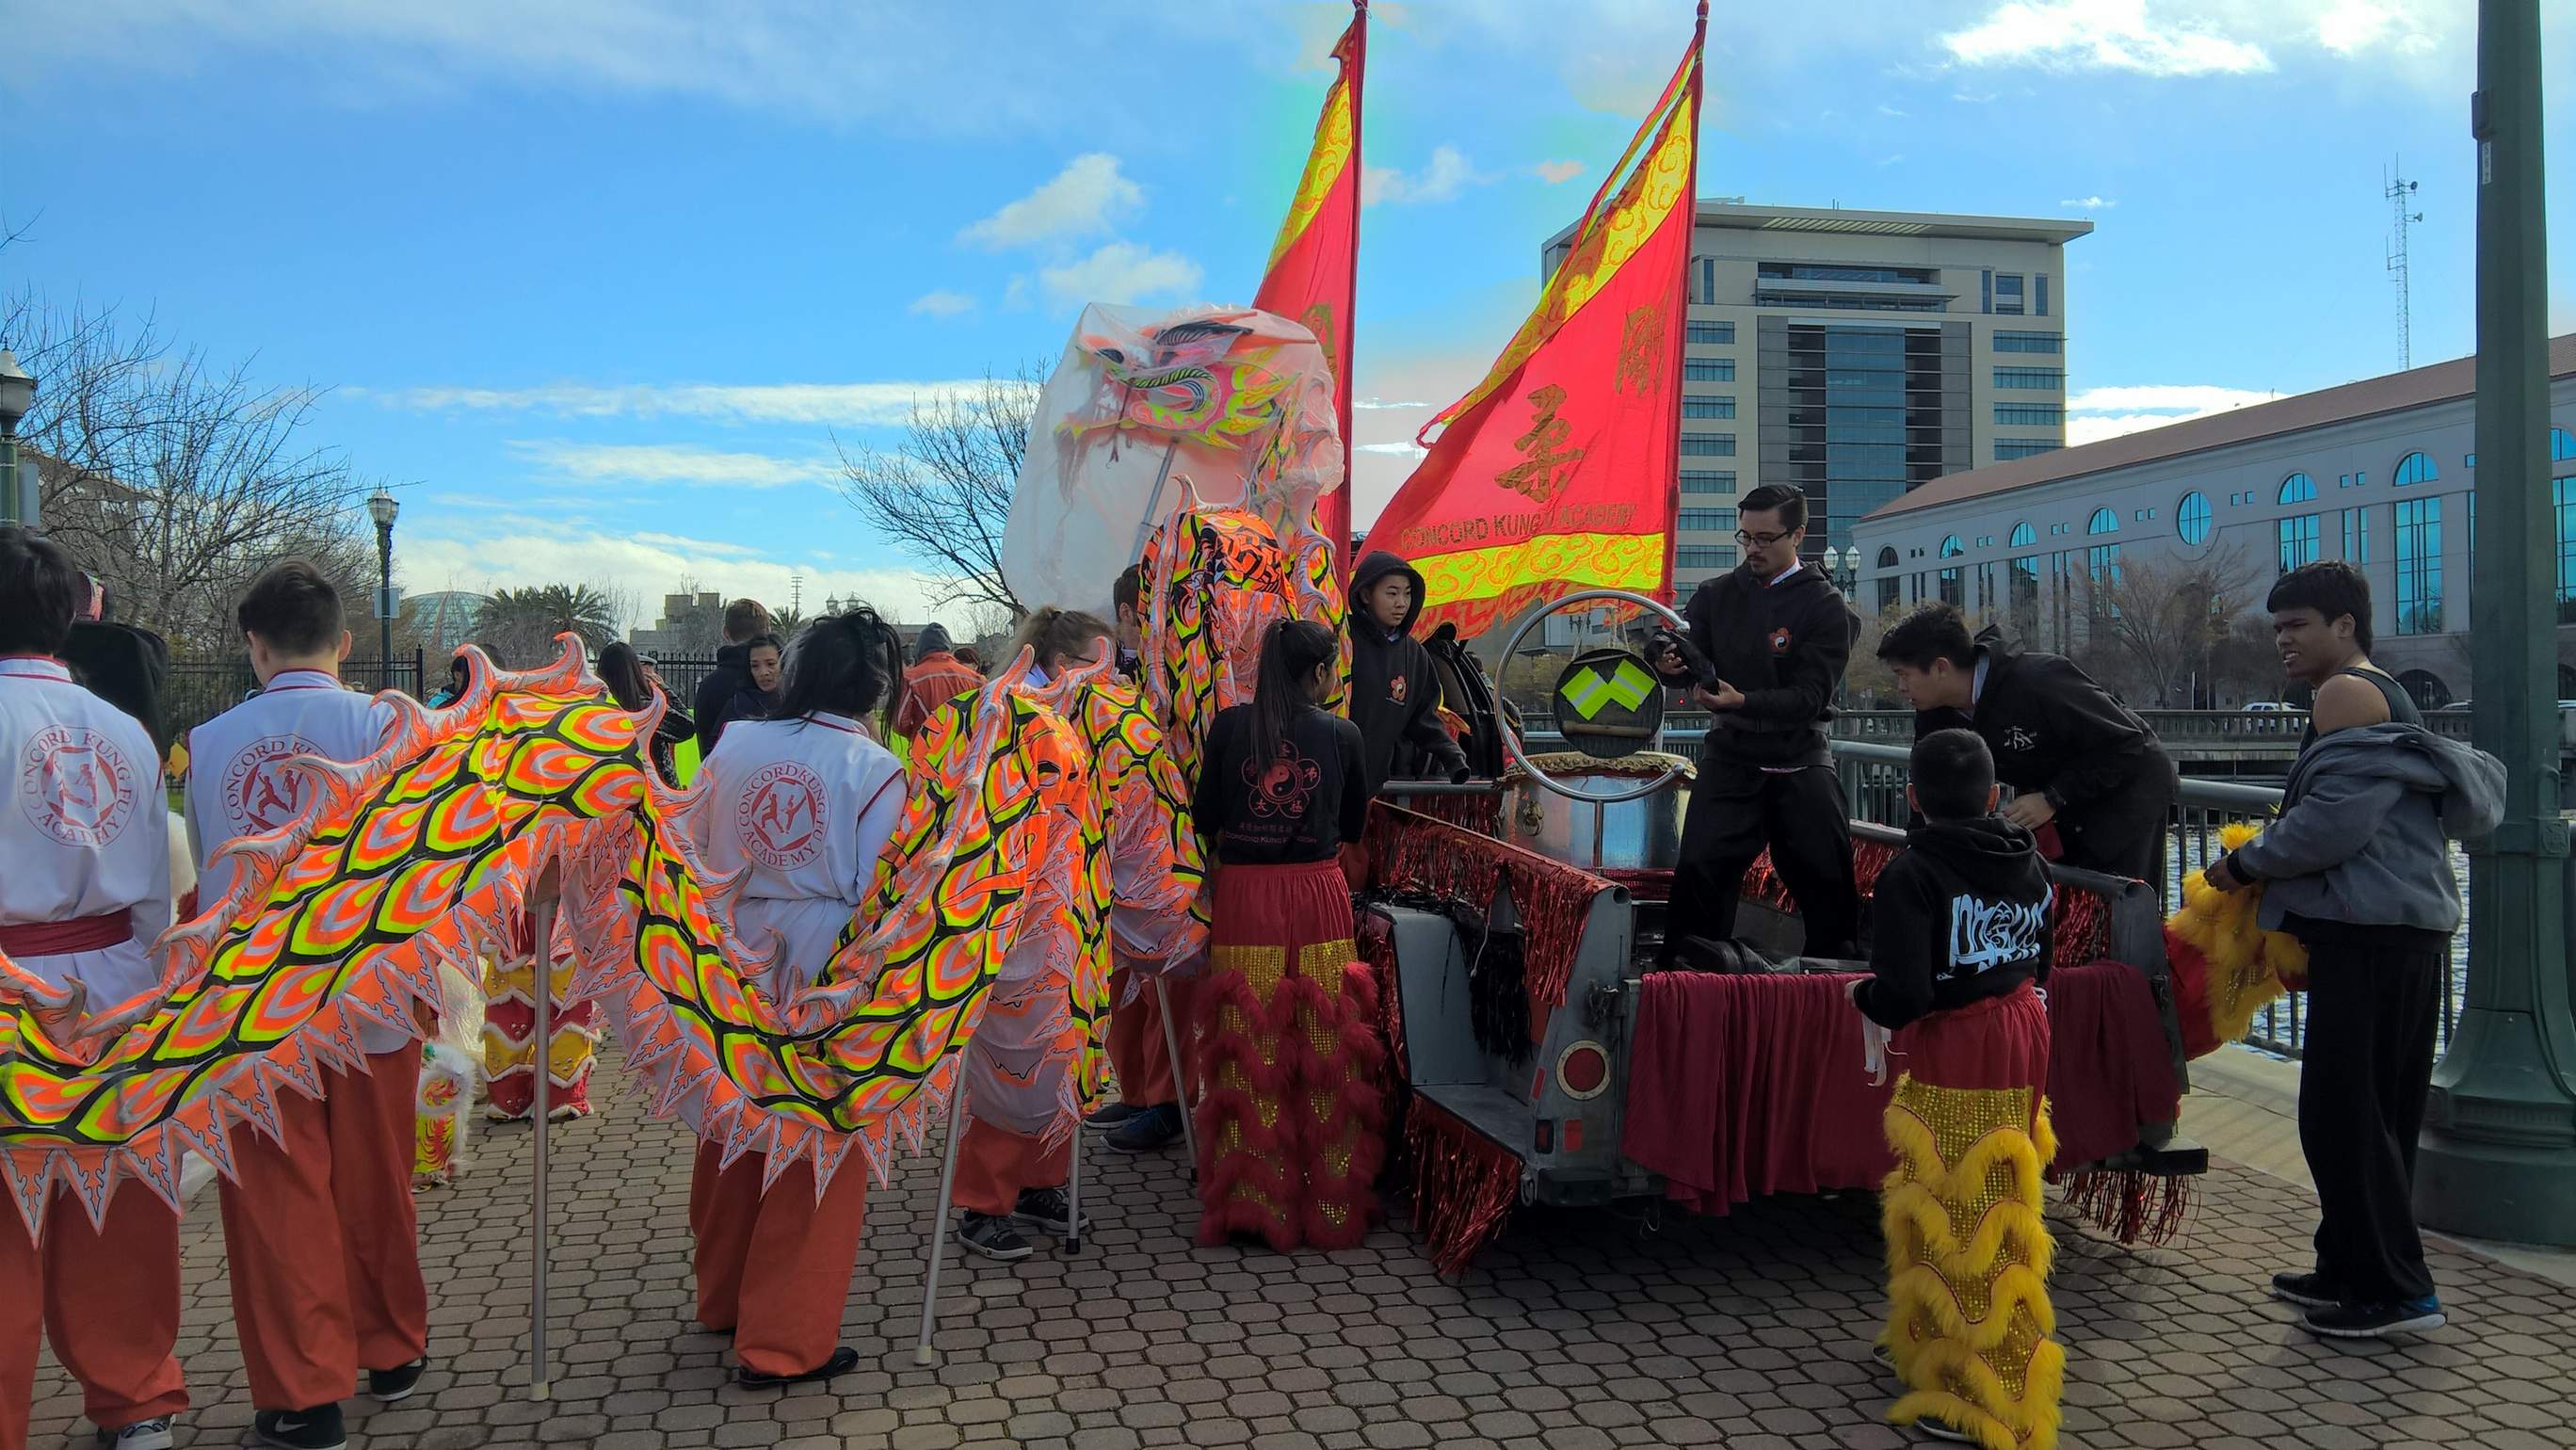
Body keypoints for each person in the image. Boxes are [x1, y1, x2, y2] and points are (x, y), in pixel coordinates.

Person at [2204, 561, 2504, 1341]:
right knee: (2379, 1111)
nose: (2283, 641)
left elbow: (2334, 825)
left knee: (2343, 1115)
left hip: (2371, 932)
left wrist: (2240, 865)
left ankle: (2396, 1291)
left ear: (2346, 626)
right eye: (2277, 628)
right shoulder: (2384, 693)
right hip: (2400, 929)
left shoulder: (2347, 694)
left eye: (2297, 625)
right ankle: (2346, 1262)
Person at [183, 560, 425, 1450]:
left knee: (280, 1199)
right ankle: (394, 1347)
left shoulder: (210, 744)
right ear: (346, 642)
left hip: (260, 1005)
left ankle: (305, 1393)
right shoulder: (390, 727)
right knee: (378, 1181)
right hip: (373, 993)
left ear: (255, 643)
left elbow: (213, 879)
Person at [0, 527, 190, 1450]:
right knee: (114, 1193)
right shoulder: (125, 731)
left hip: (9, 996)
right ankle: (138, 1398)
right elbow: (155, 885)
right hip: (116, 985)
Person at [685, 608, 909, 1386]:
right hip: (825, 962)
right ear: (875, 687)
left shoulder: (736, 743)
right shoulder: (874, 767)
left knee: (733, 1121)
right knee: (817, 1136)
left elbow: (693, 841)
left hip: (730, 951)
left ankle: (722, 1297)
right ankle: (783, 1340)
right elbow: (879, 889)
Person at [1849, 728, 2060, 1448]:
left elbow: (1904, 993)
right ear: (1996, 797)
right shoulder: (2030, 860)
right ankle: (1929, 1333)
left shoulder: (1910, 874)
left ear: (1911, 798)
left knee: (1963, 1210)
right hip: (2024, 1031)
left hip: (1960, 1044)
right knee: (1991, 1189)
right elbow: (2044, 961)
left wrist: (1863, 1000)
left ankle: (1986, 1390)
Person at [1189, 620, 1385, 1250]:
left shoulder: (1228, 727)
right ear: (1323, 672)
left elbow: (1205, 816)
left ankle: (1253, 1201)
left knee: (1252, 1038)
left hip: (1246, 895)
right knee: (1328, 1034)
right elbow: (1354, 822)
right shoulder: (1343, 734)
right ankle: (1331, 1202)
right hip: (1319, 893)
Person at [951, 608, 1119, 1261]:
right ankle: (981, 1199)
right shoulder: (1010, 715)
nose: (1102, 677)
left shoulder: (1077, 713)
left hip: (1073, 904)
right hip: (1018, 913)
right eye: (1092, 664)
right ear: (1066, 662)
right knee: (1011, 1055)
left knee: (1061, 1045)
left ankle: (1042, 1181)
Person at [1648, 484, 1861, 961]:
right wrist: (1667, 664)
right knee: (1700, 871)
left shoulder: (1826, 607)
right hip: (1732, 756)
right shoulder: (1716, 595)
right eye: (1745, 537)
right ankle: (1689, 980)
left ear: (1798, 535)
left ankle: (1836, 987)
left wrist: (1743, 700)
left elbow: (1810, 697)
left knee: (1828, 880)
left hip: (1800, 759)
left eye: (1766, 538)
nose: (1754, 549)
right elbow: (1684, 649)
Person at [1875, 603, 2177, 882]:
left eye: (1904, 675)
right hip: (2063, 801)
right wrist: (1916, 856)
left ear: (1940, 668)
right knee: (2065, 907)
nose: (1901, 688)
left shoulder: (2039, 680)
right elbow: (1928, 781)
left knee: (2116, 907)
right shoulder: (1934, 711)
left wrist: (2052, 798)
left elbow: (2125, 742)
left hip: (2130, 792)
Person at [1087, 569, 1192, 1153]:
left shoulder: (1186, 665)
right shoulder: (1102, 671)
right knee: (1120, 981)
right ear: (1128, 612)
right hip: (1111, 847)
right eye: (1150, 606)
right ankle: (1131, 1088)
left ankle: (1168, 1100)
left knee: (1166, 985)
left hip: (1165, 849)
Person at [1346, 550, 1472, 795]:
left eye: (1407, 593)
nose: (1401, 603)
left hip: (1369, 783)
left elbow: (1422, 717)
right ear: (1365, 594)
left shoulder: (1414, 655)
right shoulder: (1342, 639)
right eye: (1391, 593)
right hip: (1324, 775)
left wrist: (1453, 757)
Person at [598, 641, 695, 785]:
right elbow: (687, 727)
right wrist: (663, 689)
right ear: (635, 672)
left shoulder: (599, 708)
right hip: (654, 790)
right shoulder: (647, 708)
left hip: (612, 787)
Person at [691, 598, 771, 757]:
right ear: (768, 630)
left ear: (725, 632)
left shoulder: (709, 686)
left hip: (723, 778)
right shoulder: (781, 681)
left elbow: (707, 747)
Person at [892, 623, 981, 739]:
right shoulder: (977, 679)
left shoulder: (910, 679)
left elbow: (900, 723)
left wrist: (919, 737)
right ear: (948, 647)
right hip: (964, 752)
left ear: (919, 649)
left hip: (928, 751)